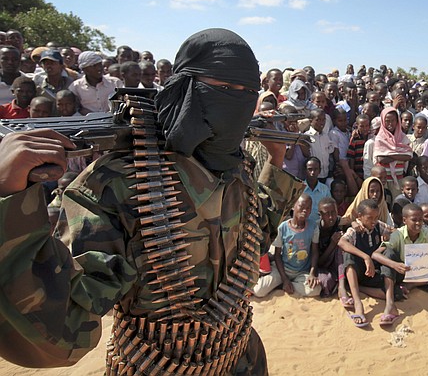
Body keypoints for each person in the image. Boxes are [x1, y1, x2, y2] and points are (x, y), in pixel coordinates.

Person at [0, 29, 304, 375]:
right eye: (223, 88)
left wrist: (275, 162)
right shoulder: (120, 181)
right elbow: (58, 333)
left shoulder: (237, 164)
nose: (238, 101)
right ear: (185, 87)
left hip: (240, 359)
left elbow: (254, 236)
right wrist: (9, 199)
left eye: (248, 91)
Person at [338, 199, 395, 327]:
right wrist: (365, 257)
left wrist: (387, 233)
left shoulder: (378, 225)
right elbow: (342, 242)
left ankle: (359, 288)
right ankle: (358, 303)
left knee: (391, 290)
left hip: (372, 273)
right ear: (360, 216)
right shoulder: (354, 230)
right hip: (358, 270)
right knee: (348, 255)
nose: (373, 221)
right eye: (370, 218)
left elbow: (394, 231)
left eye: (376, 217)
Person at [252, 194, 321, 298]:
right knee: (259, 291)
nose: (305, 211)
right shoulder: (283, 228)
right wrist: (284, 278)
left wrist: (312, 273)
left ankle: (287, 285)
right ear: (293, 206)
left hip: (301, 272)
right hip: (282, 269)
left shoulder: (313, 227)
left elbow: (315, 252)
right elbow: (277, 255)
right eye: (301, 207)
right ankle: (284, 283)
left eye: (308, 208)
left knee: (316, 290)